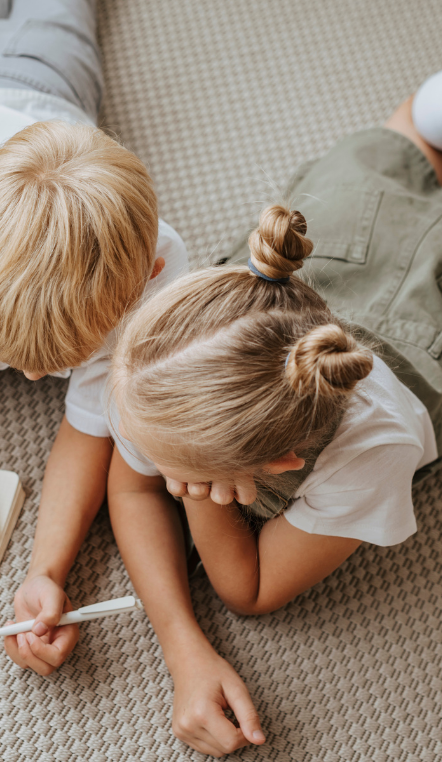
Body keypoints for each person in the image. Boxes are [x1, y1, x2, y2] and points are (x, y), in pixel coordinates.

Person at [105, 75, 442, 757]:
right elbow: (128, 486)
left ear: (281, 464)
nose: (150, 467)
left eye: (182, 474)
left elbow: (249, 589)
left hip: (407, 309)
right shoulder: (172, 370)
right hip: (358, 231)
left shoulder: (372, 452)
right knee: (411, 138)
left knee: (418, 144)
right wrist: (182, 647)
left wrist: (198, 499)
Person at [0, 0, 188, 671]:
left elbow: (90, 426)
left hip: (48, 75)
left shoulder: (153, 274)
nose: (33, 382)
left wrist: (47, 570)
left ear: (150, 276)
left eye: (57, 364)